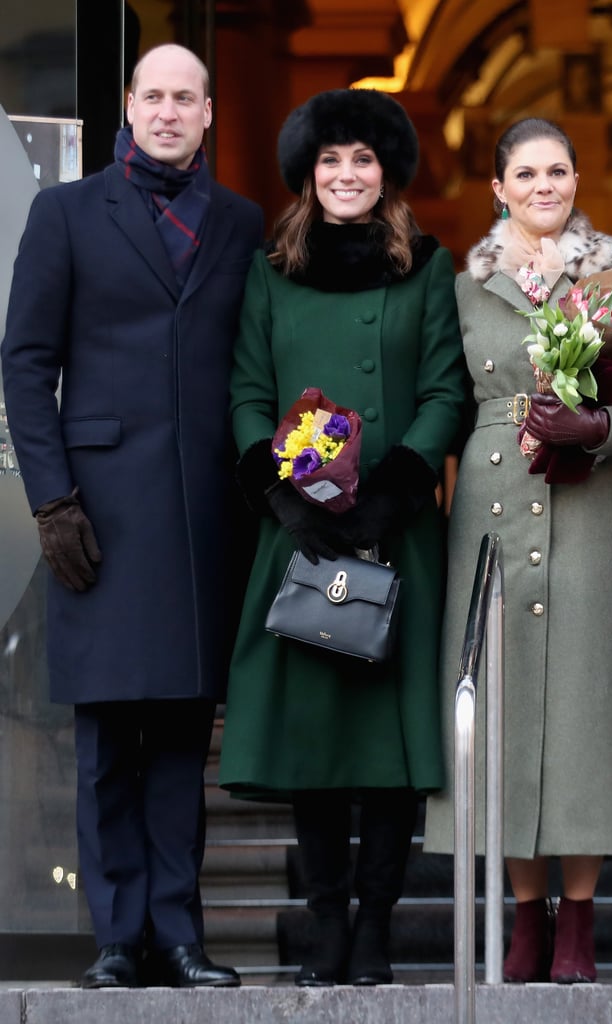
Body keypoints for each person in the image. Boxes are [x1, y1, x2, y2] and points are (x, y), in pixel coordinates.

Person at [0, 45, 263, 987]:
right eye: (151, 95)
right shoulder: (66, 211)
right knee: (109, 738)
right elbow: (25, 363)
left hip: (200, 514)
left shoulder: (238, 222)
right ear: (129, 106)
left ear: (206, 114)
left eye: (183, 97)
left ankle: (180, 935)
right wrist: (51, 498)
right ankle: (117, 938)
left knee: (183, 739)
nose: (165, 111)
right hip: (98, 515)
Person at [217, 88, 466, 987]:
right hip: (301, 536)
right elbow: (247, 390)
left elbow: (446, 391)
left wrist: (392, 490)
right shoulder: (268, 273)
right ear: (308, 175)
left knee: (386, 746)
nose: (347, 175)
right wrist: (283, 495)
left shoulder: (428, 268)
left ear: (386, 173)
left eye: (362, 159)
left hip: (392, 535)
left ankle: (375, 926)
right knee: (315, 743)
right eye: (331, 160)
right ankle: (325, 921)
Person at [424, 117, 612, 984]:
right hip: (489, 512)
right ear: (498, 187)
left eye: (558, 171)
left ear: (576, 178)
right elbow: (444, 400)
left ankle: (579, 923)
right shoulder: (462, 289)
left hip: (587, 509)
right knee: (506, 713)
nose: (544, 186)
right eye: (526, 173)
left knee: (584, 710)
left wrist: (601, 429)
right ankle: (526, 915)